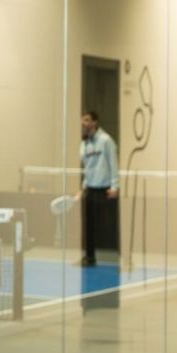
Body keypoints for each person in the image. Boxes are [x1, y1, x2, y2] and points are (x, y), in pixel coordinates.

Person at [79, 110, 119, 266]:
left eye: (86, 120)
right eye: (82, 120)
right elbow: (86, 168)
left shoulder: (106, 140)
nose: (83, 123)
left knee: (109, 226)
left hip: (106, 190)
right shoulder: (83, 144)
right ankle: (89, 257)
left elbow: (113, 164)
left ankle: (117, 258)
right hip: (90, 189)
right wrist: (83, 187)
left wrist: (114, 186)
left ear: (94, 122)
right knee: (88, 226)